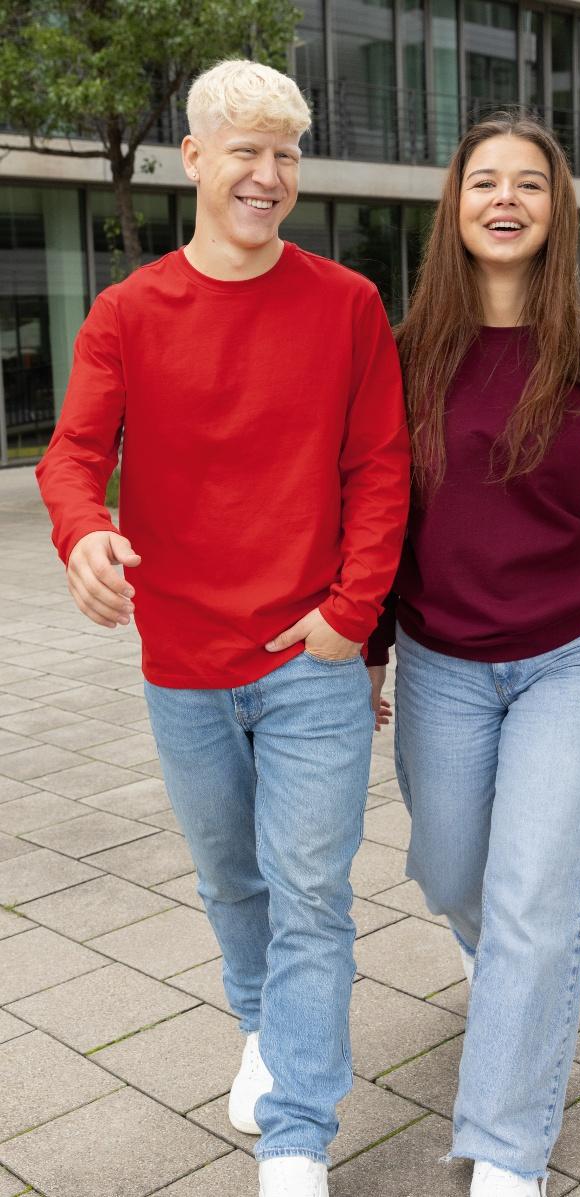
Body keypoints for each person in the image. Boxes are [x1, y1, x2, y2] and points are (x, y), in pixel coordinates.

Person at [36, 58, 410, 1197]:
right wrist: (82, 534)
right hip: (184, 665)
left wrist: (350, 617)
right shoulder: (128, 311)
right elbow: (72, 455)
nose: (268, 175)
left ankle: (296, 1137)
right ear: (193, 158)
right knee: (230, 881)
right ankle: (263, 1023)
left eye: (286, 155)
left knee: (311, 892)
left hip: (312, 656)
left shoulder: (347, 303)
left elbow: (380, 468)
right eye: (246, 151)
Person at [366, 112, 580, 1197]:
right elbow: (374, 514)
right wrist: (368, 647)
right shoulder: (402, 354)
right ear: (455, 205)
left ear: (556, 209)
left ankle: (506, 1148)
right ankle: (506, 968)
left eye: (528, 182)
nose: (505, 199)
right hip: (440, 658)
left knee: (533, 903)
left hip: (570, 656)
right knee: (451, 869)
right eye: (484, 182)